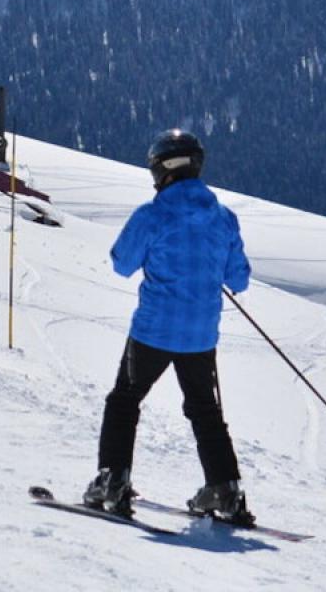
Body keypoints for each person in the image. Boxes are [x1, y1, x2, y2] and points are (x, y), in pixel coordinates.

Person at [84, 129, 253, 525]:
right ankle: (225, 490)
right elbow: (240, 279)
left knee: (125, 401)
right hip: (200, 336)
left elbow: (123, 264)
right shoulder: (224, 218)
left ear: (160, 170)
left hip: (153, 331)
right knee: (205, 411)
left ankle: (112, 480)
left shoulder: (152, 215)